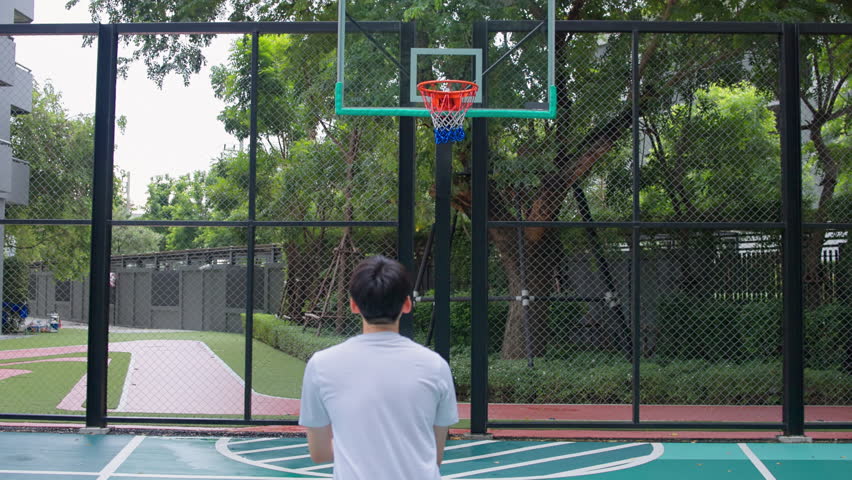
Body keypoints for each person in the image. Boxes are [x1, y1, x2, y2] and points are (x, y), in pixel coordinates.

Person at [298, 255, 458, 480]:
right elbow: (434, 455)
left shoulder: (321, 365)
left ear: (354, 305)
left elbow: (320, 452)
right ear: (407, 304)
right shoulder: (435, 366)